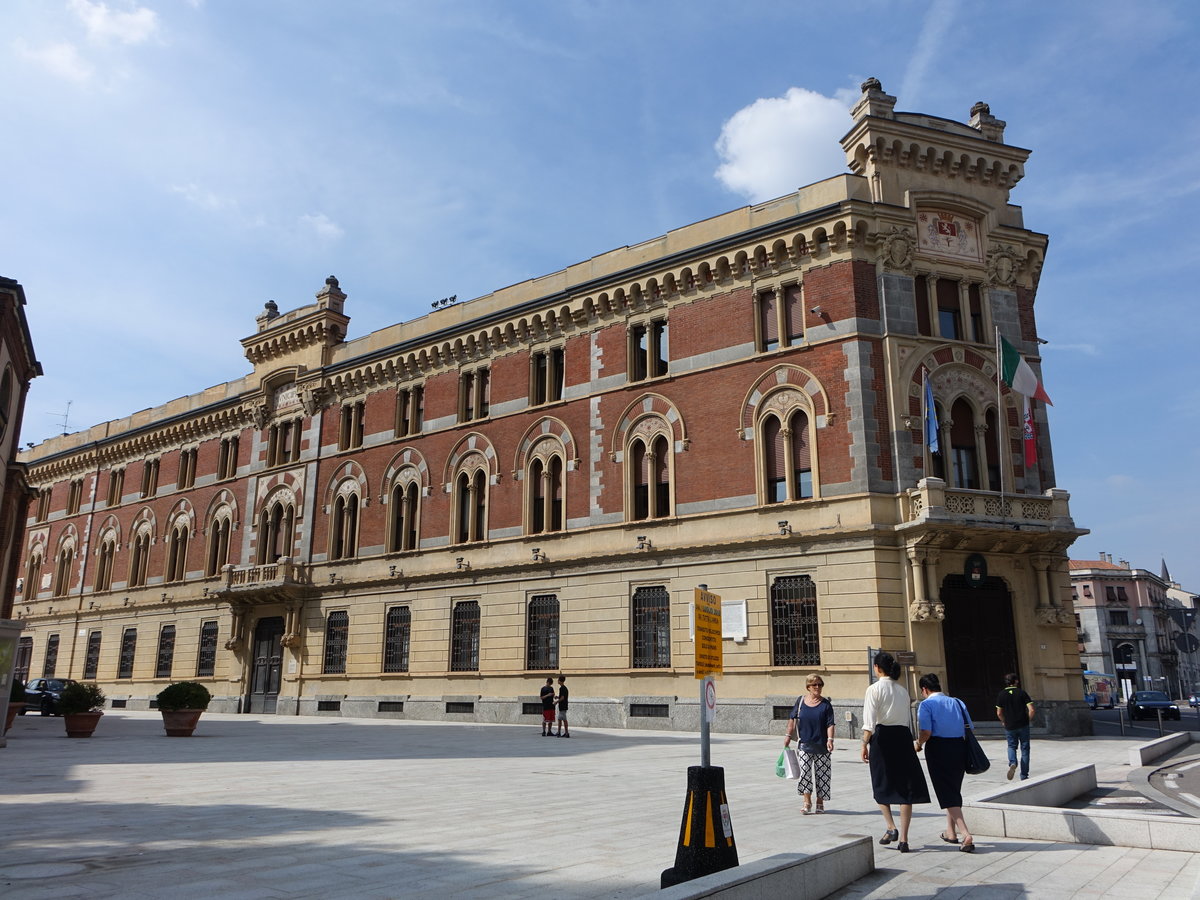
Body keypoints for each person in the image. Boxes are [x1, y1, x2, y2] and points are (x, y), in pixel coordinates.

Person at [861, 651, 929, 853]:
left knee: (881, 782)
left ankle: (891, 826)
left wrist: (864, 744)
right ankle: (905, 839)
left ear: (876, 668)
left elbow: (869, 723)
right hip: (903, 736)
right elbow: (908, 719)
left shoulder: (874, 689)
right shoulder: (902, 690)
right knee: (905, 785)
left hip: (883, 738)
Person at [915, 673, 976, 852]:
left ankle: (966, 834)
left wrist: (918, 744)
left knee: (946, 791)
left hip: (938, 748)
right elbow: (970, 727)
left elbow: (925, 731)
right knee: (953, 789)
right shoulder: (957, 702)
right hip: (959, 747)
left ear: (924, 689)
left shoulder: (926, 705)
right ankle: (951, 832)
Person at [783, 673, 835, 814]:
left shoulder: (826, 704)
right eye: (814, 685)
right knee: (804, 773)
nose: (817, 687)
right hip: (804, 744)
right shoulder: (800, 701)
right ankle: (807, 802)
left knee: (822, 775)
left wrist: (830, 740)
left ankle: (820, 802)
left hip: (822, 746)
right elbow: (792, 719)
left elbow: (830, 724)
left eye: (820, 684)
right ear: (808, 687)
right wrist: (788, 735)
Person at [995, 673, 1035, 780]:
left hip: (1010, 725)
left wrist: (1004, 721)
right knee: (1025, 749)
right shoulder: (1022, 693)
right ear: (1016, 681)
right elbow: (1031, 709)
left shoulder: (1001, 694)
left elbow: (999, 713)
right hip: (1023, 724)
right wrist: (1027, 720)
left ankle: (1012, 762)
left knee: (1011, 746)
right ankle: (1024, 775)